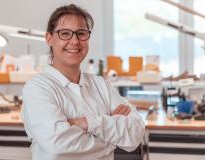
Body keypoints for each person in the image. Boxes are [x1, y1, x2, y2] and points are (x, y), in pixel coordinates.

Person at [21, 4, 145, 160]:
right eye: (65, 33)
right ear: (49, 38)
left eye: (81, 33)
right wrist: (112, 138)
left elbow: (136, 133)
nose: (74, 41)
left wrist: (86, 123)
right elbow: (58, 147)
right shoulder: (38, 88)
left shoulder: (101, 85)